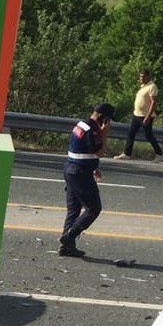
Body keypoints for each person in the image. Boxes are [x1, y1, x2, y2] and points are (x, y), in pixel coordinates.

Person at [59, 103, 113, 258]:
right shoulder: (94, 130)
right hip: (80, 173)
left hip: (71, 169)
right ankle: (69, 236)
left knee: (74, 210)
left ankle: (66, 247)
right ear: (103, 118)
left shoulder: (81, 124)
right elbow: (100, 152)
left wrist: (94, 167)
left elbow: (83, 150)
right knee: (93, 209)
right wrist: (104, 133)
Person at [116, 70, 163, 160]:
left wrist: (148, 116)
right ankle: (127, 154)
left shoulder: (152, 86)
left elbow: (153, 102)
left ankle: (160, 154)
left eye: (143, 76)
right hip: (137, 114)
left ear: (148, 76)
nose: (141, 78)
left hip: (145, 115)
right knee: (131, 133)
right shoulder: (143, 87)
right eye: (140, 76)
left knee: (148, 135)